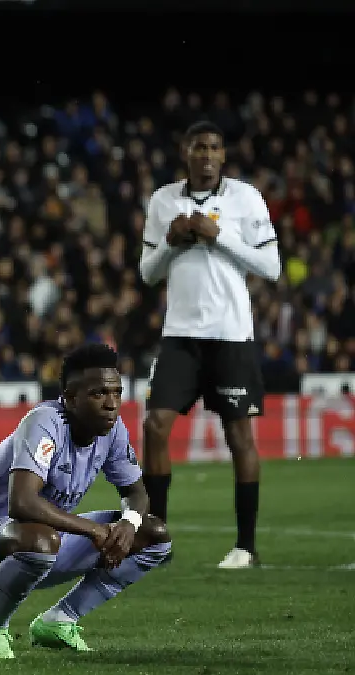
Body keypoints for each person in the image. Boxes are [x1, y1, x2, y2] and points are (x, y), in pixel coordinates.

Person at [0, 344, 172, 659]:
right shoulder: (45, 421)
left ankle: (59, 621)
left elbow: (137, 493)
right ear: (69, 398)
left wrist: (128, 523)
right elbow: (22, 503)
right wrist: (95, 530)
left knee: (154, 536)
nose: (111, 404)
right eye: (98, 394)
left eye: (116, 393)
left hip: (44, 542)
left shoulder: (113, 429)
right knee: (40, 539)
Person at [138, 120, 281, 570]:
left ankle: (246, 547)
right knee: (155, 426)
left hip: (231, 335)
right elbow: (148, 272)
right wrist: (171, 242)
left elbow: (271, 266)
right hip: (180, 335)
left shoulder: (245, 198)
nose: (206, 155)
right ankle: (156, 538)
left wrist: (220, 235)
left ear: (223, 156)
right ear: (185, 151)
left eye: (214, 148)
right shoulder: (163, 200)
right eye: (198, 146)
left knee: (240, 436)